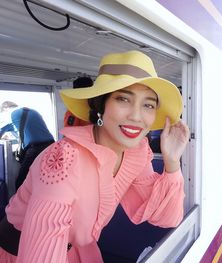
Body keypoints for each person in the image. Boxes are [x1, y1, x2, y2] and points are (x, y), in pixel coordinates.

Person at [0, 50, 190, 262]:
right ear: (101, 106)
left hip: (77, 252)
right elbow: (41, 254)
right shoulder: (65, 158)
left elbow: (166, 217)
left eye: (148, 104)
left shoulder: (137, 152)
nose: (136, 116)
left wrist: (171, 162)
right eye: (123, 99)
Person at [11, 107, 55, 190]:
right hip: (51, 146)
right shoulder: (34, 112)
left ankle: (20, 201)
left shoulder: (12, 114)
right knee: (49, 176)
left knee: (21, 180)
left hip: (35, 148)